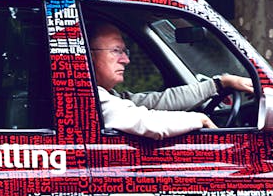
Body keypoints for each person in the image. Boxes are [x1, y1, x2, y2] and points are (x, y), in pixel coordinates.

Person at [89, 22, 254, 139]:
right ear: (88, 55)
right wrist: (199, 119)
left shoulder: (107, 96)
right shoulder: (88, 98)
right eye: (116, 51)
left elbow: (153, 102)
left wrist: (219, 83)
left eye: (125, 52)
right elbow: (146, 122)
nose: (126, 60)